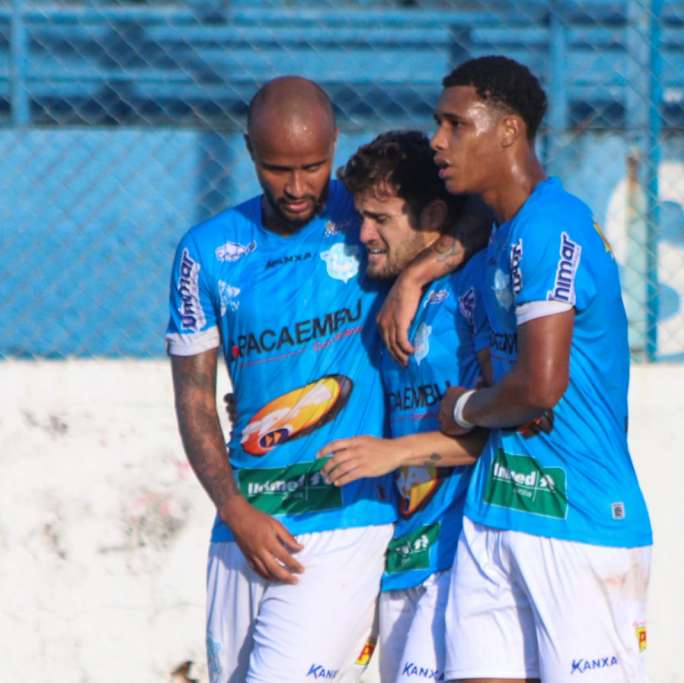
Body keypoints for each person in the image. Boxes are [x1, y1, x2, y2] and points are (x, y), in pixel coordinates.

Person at [428, 55, 655, 682]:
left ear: (509, 131)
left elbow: (539, 385)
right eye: (436, 124)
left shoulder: (549, 229)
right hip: (497, 511)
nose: (437, 141)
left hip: (578, 523)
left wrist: (464, 409)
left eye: (455, 125)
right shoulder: (504, 231)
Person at [165, 76, 397, 683]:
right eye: (277, 169)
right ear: (247, 150)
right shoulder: (207, 252)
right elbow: (193, 399)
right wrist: (233, 509)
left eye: (314, 167)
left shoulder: (371, 220)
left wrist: (419, 278)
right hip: (246, 525)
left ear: (336, 146)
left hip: (346, 518)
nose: (297, 187)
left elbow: (473, 221)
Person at [317, 130, 492, 682]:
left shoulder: (472, 293)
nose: (362, 234)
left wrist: (391, 454)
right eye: (361, 217)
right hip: (402, 558)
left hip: (459, 556)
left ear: (433, 214)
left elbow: (501, 427)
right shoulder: (387, 298)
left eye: (381, 219)